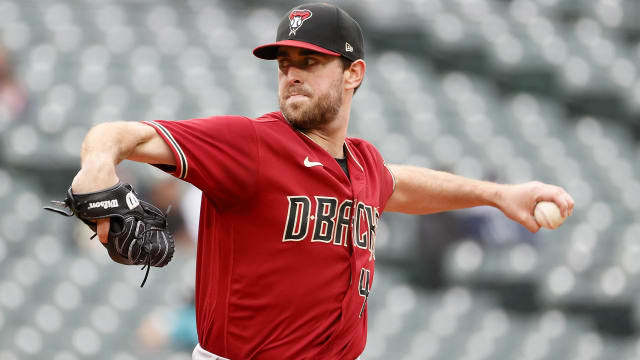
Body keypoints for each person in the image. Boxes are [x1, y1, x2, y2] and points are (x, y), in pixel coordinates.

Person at [69, 3, 574, 359]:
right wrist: (97, 169)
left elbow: (401, 185)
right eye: (285, 64)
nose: (291, 74)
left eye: (309, 62)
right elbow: (116, 135)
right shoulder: (250, 145)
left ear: (353, 73)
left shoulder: (363, 163)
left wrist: (499, 195)